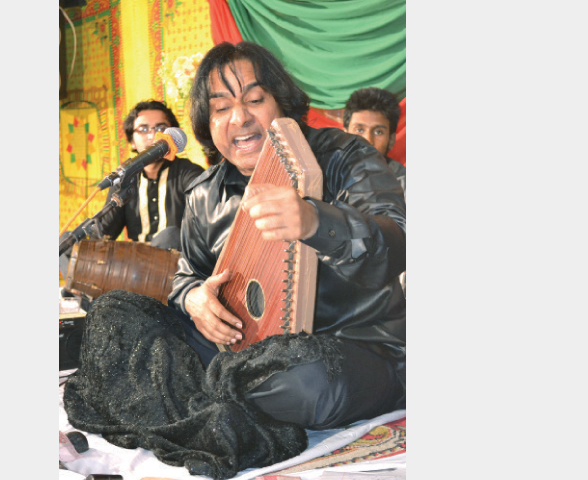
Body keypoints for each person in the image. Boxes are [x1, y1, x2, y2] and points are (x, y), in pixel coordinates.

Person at [168, 41, 406, 430]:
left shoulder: (345, 156)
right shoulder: (203, 195)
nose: (239, 118)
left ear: (281, 102)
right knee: (125, 322)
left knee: (312, 385)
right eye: (221, 108)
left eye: (254, 99)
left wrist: (316, 222)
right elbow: (186, 276)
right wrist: (193, 299)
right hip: (250, 353)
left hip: (357, 348)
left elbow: (400, 242)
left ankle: (211, 391)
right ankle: (222, 389)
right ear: (207, 126)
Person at [96, 100, 205, 251]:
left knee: (169, 236)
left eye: (161, 128)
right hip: (135, 267)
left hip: (180, 266)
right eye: (143, 129)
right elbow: (104, 233)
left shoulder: (188, 173)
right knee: (70, 243)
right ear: (132, 141)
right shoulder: (124, 179)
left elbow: (207, 224)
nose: (153, 135)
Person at [343, 87, 406, 198]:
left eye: (378, 132)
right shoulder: (324, 175)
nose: (368, 141)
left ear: (391, 140)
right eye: (359, 130)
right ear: (344, 135)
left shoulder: (403, 186)